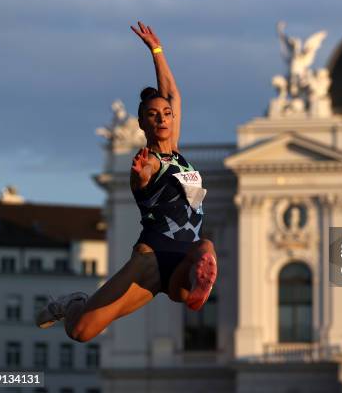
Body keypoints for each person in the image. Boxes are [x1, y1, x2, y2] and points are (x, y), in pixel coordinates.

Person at [35, 21, 218, 342]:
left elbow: (172, 93)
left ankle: (199, 272)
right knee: (81, 332)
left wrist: (156, 51)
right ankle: (75, 303)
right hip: (150, 259)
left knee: (202, 250)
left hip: (184, 260)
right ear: (142, 122)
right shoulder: (148, 161)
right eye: (153, 114)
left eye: (166, 113)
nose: (162, 118)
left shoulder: (175, 152)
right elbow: (142, 183)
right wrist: (140, 176)